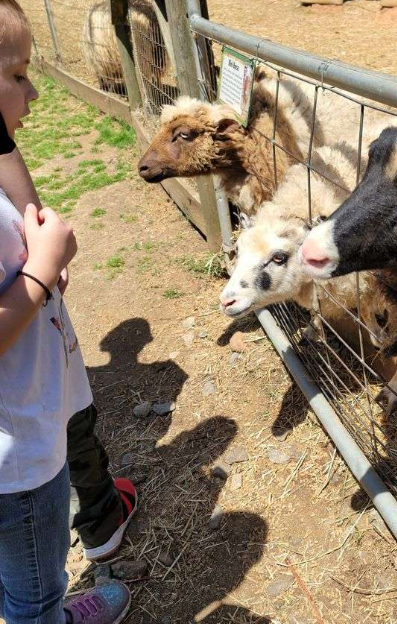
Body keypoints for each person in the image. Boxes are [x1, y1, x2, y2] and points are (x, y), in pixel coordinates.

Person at [0, 1, 132, 622]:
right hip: (17, 463)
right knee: (36, 594)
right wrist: (41, 269)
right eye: (18, 74)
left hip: (19, 436)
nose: (33, 93)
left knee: (17, 577)